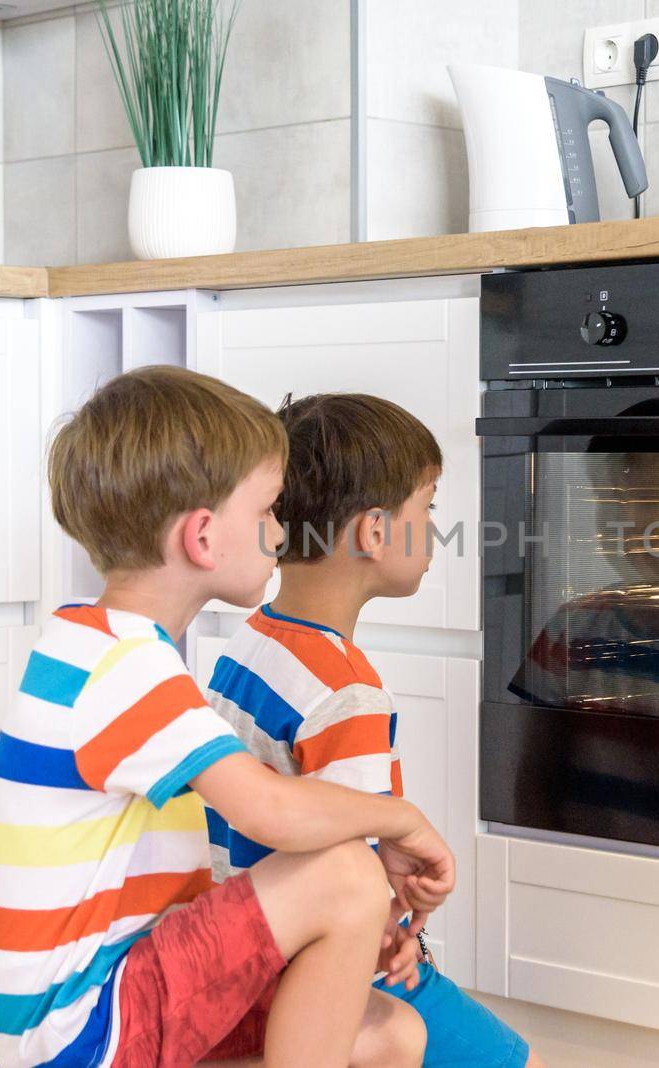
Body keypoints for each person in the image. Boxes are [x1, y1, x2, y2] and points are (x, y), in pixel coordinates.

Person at [0, 367, 455, 1068]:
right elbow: (271, 813)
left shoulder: (93, 642)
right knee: (346, 875)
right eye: (265, 511)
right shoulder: (127, 667)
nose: (280, 529)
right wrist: (401, 820)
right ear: (203, 538)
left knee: (390, 1033)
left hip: (107, 996)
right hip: (87, 1028)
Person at [204, 393, 543, 1068]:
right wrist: (408, 942)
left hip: (244, 939)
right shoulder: (346, 691)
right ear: (375, 533)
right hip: (325, 974)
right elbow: (344, 868)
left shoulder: (250, 646)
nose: (437, 528)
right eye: (430, 507)